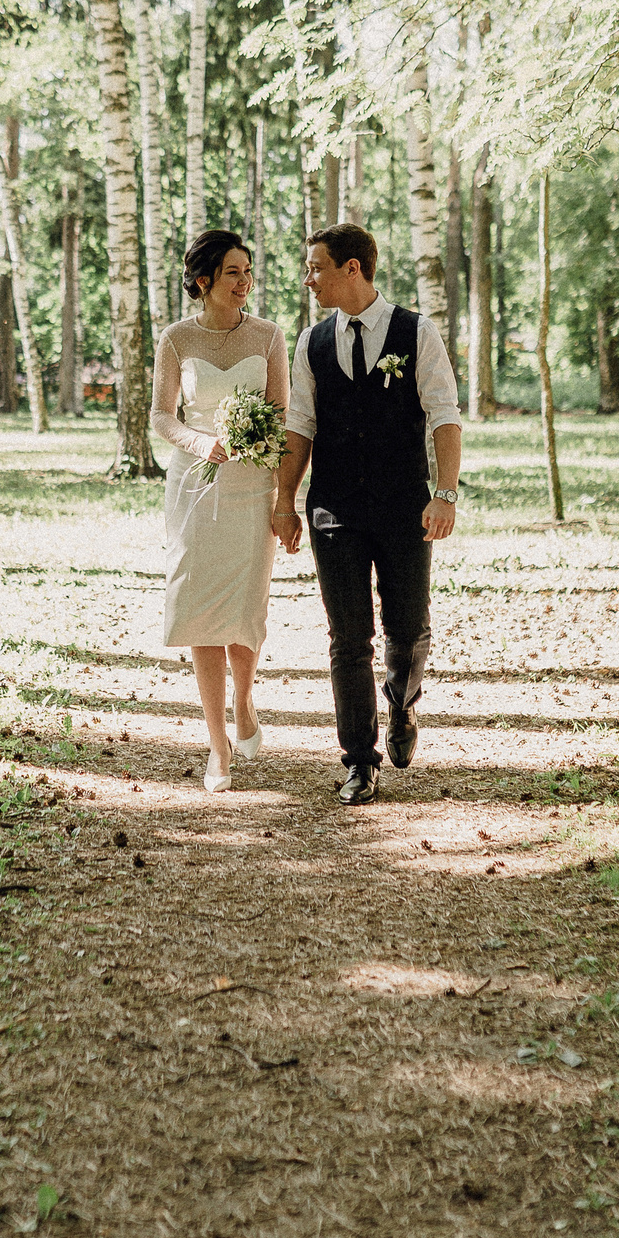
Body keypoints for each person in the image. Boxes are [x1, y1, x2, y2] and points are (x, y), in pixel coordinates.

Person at [272, 224, 462, 806]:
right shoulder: (311, 343)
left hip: (405, 507)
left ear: (351, 268)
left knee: (408, 629)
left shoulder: (416, 332)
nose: (308, 279)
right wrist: (285, 500)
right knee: (348, 639)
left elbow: (444, 415)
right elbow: (300, 426)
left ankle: (402, 704)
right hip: (335, 511)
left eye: (316, 268)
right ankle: (359, 759)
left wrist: (445, 493)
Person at [152, 230, 289, 793]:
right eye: (234, 272)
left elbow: (282, 412)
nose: (245, 282)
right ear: (204, 280)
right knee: (201, 611)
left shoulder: (270, 336)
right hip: (194, 486)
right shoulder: (176, 339)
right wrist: (198, 442)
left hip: (252, 487)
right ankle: (216, 743)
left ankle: (245, 701)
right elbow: (162, 416)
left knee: (245, 610)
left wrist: (277, 478)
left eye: (248, 271)